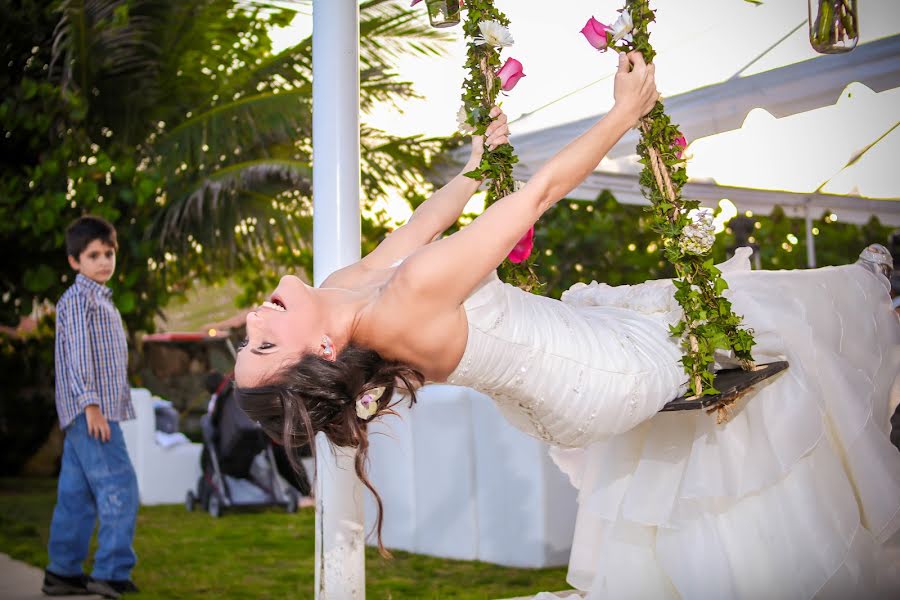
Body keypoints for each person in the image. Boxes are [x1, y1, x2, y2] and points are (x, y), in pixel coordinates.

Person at [235, 52, 900, 598]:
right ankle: (881, 291)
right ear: (323, 349)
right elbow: (538, 196)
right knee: (755, 315)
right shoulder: (405, 301)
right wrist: (626, 111)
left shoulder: (346, 289)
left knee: (715, 309)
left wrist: (473, 166)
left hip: (552, 384)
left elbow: (417, 227)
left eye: (247, 339)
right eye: (264, 343)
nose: (252, 318)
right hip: (596, 378)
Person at [44, 216, 139, 599]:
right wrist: (92, 407)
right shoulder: (79, 300)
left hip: (91, 413)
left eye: (109, 253)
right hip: (91, 415)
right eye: (93, 255)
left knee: (76, 495)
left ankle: (62, 572)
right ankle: (111, 571)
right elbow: (77, 359)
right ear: (74, 261)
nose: (104, 261)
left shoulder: (100, 298)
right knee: (121, 487)